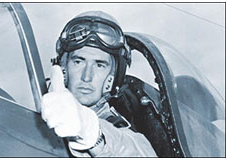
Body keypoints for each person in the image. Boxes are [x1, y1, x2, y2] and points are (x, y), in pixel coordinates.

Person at [41, 11, 157, 157]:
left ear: (112, 78)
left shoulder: (117, 131)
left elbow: (139, 153)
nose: (86, 77)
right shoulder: (34, 106)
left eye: (99, 65)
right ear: (63, 70)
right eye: (78, 62)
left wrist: (91, 132)